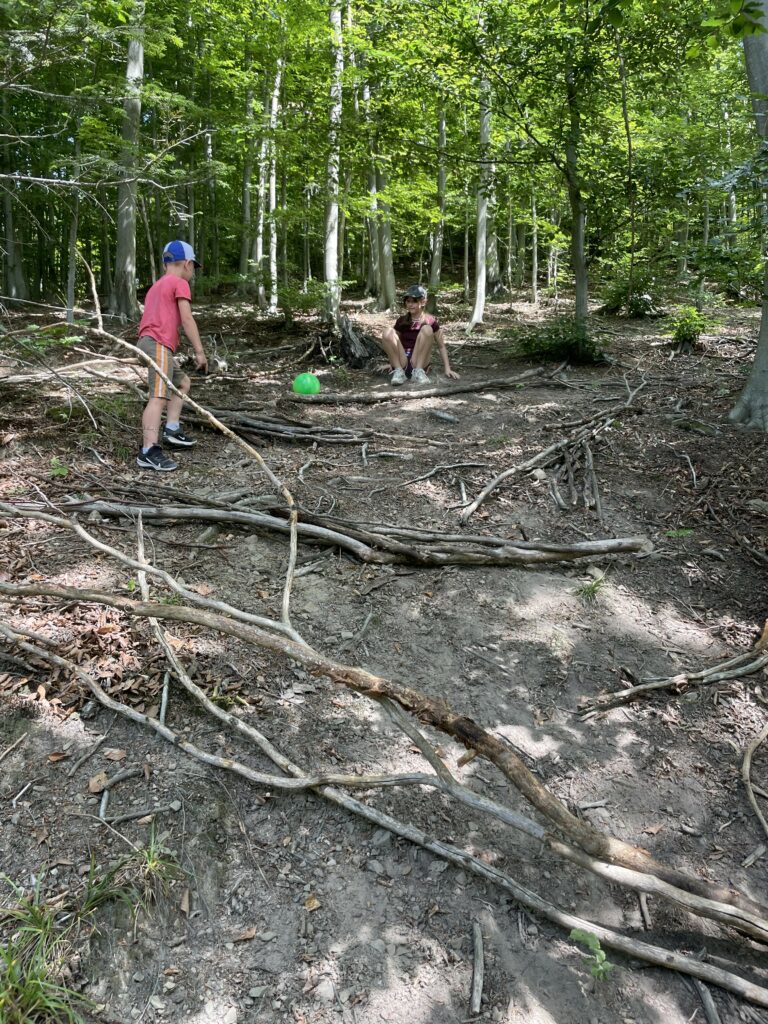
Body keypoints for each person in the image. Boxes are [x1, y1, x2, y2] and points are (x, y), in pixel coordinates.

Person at [135, 240, 208, 471]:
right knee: (158, 396)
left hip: (150, 343)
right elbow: (187, 319)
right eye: (193, 267)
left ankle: (172, 429)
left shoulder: (156, 286)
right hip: (157, 343)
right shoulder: (179, 283)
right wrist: (199, 352)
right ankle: (148, 451)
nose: (192, 272)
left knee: (182, 383)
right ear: (187, 264)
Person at [379, 284, 460, 386]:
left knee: (427, 329)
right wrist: (392, 363)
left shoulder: (431, 321)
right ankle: (399, 372)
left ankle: (418, 372)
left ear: (423, 302)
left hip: (419, 361)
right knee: (388, 331)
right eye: (408, 301)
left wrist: (447, 369)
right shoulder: (401, 321)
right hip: (403, 361)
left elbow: (441, 346)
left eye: (414, 301)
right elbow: (393, 343)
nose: (410, 304)